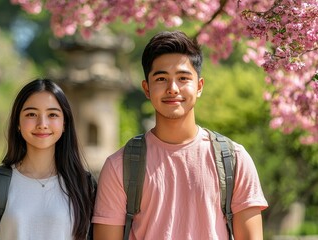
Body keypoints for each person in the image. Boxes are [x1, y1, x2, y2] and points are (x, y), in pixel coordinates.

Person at [92, 30, 268, 239]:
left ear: (199, 86)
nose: (172, 88)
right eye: (161, 78)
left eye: (183, 78)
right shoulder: (120, 166)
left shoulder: (233, 159)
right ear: (146, 89)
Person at [0, 78, 96, 240]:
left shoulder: (84, 186)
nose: (42, 123)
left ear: (64, 124)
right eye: (31, 114)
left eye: (52, 114)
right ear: (18, 123)